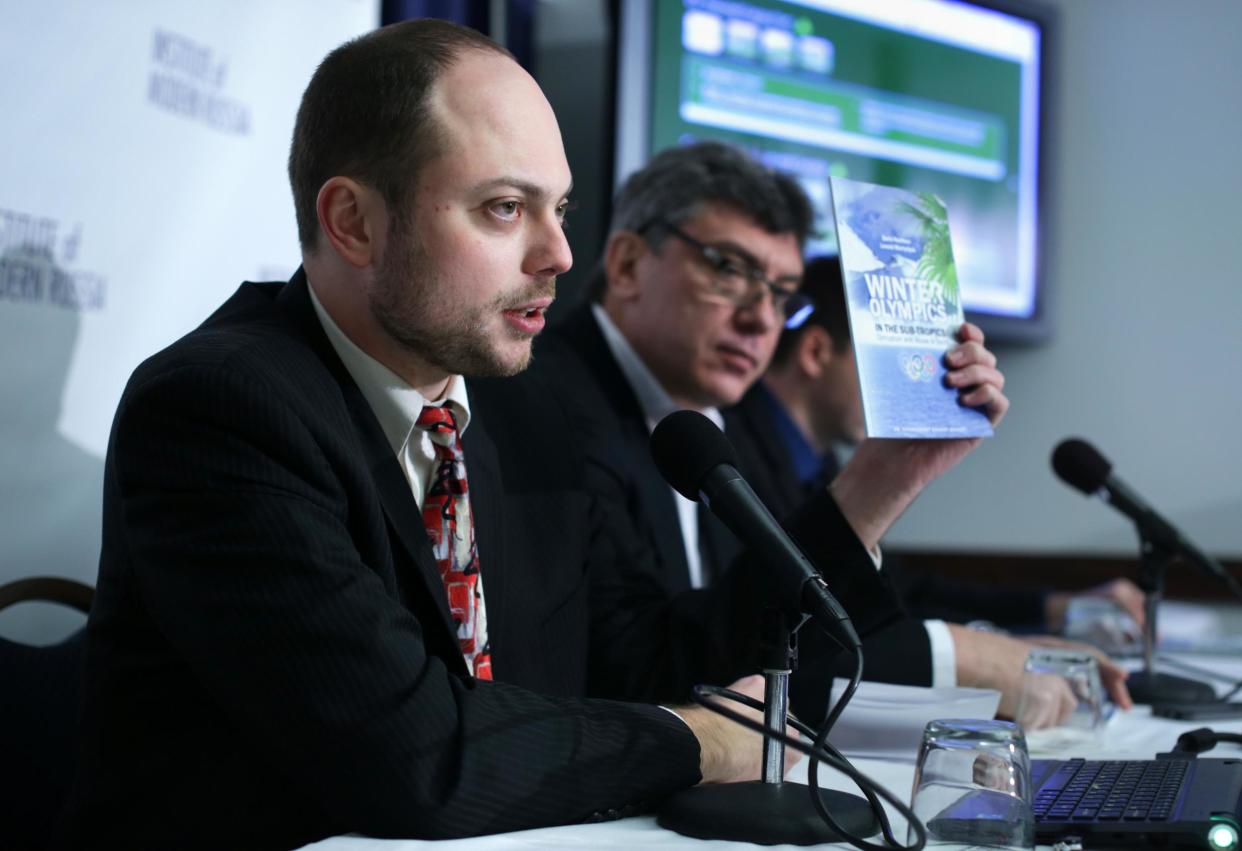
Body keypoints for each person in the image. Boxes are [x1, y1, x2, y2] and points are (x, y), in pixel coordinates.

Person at [55, 21, 910, 850]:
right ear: (353, 221)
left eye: (560, 208)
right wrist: (701, 740)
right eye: (505, 208)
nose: (559, 254)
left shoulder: (524, 410)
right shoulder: (221, 409)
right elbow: (417, 753)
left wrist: (886, 478)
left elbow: (636, 671)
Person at [533, 142, 1129, 721]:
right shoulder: (548, 410)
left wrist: (895, 469)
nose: (761, 318)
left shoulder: (717, 419)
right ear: (629, 264)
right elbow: (642, 675)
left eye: (781, 292)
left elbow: (771, 631)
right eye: (729, 269)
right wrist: (966, 658)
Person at [747, 254, 1147, 634]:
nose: (901, 382)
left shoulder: (821, 463)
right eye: (883, 359)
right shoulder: (727, 452)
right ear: (816, 353)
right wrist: (988, 655)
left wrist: (1057, 610)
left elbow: (902, 593)